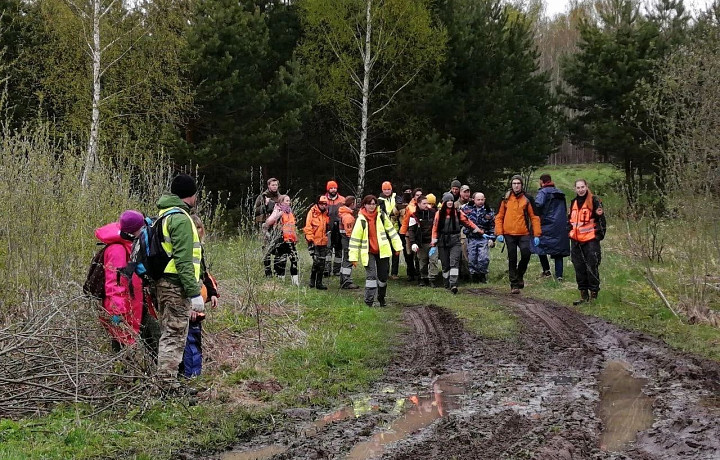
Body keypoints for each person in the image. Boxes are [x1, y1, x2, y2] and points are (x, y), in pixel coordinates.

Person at [155, 174, 205, 393]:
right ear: (191, 195)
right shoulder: (182, 219)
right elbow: (184, 261)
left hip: (163, 283)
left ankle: (166, 381)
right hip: (176, 285)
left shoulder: (164, 215)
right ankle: (167, 386)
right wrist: (195, 294)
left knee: (168, 332)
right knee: (174, 335)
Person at [94, 210, 145, 351]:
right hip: (121, 309)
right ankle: (120, 371)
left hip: (129, 306)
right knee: (121, 344)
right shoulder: (118, 250)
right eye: (141, 228)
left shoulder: (128, 245)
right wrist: (118, 312)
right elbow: (114, 283)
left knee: (125, 342)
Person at [180, 215, 219, 378]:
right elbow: (186, 277)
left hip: (198, 302)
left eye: (199, 228)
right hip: (189, 303)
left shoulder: (198, 249)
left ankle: (193, 373)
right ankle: (191, 375)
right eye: (193, 228)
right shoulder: (185, 249)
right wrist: (191, 303)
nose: (197, 231)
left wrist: (212, 292)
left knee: (194, 339)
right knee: (189, 341)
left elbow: (203, 272)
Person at [348, 195, 403, 306]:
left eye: (374, 204)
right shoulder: (361, 219)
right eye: (369, 204)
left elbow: (392, 232)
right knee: (371, 277)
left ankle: (381, 298)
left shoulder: (382, 216)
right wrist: (353, 258)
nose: (372, 206)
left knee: (383, 278)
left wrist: (397, 247)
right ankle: (369, 301)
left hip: (383, 251)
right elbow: (354, 240)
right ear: (364, 205)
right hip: (368, 253)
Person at [495, 175, 542, 294]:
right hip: (508, 233)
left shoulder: (528, 199)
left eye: (518, 183)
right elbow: (499, 217)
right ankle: (514, 284)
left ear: (521, 185)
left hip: (523, 232)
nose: (516, 185)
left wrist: (537, 234)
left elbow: (534, 217)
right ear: (511, 185)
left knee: (526, 254)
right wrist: (499, 232)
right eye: (514, 183)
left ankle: (519, 274)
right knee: (512, 257)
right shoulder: (505, 198)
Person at [430, 193, 482, 294]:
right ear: (444, 202)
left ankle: (453, 284)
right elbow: (435, 228)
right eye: (447, 201)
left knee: (454, 262)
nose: (450, 202)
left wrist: (479, 231)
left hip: (455, 241)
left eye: (451, 201)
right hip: (442, 241)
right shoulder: (439, 214)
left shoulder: (458, 213)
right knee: (445, 265)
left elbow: (468, 223)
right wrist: (433, 243)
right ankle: (446, 283)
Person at [569, 179, 606, 305]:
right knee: (579, 268)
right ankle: (583, 295)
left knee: (592, 267)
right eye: (578, 187)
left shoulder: (594, 201)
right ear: (575, 189)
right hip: (575, 241)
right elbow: (570, 221)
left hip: (590, 241)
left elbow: (601, 220)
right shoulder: (573, 202)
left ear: (587, 186)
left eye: (582, 187)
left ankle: (593, 296)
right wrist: (569, 233)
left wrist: (598, 237)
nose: (580, 189)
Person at [531, 174, 570, 280]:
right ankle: (559, 276)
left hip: (546, 224)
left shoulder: (543, 192)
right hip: (560, 225)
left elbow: (538, 206)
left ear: (541, 181)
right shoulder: (560, 193)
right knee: (559, 251)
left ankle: (546, 270)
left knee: (538, 246)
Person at [264, 195, 300, 286]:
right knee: (282, 261)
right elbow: (268, 222)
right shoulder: (278, 210)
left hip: (290, 239)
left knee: (294, 260)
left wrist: (295, 237)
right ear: (281, 202)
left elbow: (292, 226)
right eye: (287, 201)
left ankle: (295, 282)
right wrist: (277, 216)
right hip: (282, 239)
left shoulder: (290, 212)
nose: (289, 202)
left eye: (289, 201)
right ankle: (281, 281)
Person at [462, 192, 496, 283]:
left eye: (482, 199)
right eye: (478, 200)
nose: (480, 201)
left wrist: (492, 239)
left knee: (483, 258)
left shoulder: (488, 211)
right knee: (472, 258)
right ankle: (474, 275)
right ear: (474, 200)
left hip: (483, 238)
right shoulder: (467, 209)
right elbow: (462, 220)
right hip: (471, 237)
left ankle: (482, 274)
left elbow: (492, 226)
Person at [407, 195, 438, 287]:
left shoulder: (433, 213)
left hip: (432, 241)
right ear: (419, 204)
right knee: (422, 261)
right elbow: (411, 230)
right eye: (424, 203)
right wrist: (413, 243)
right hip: (421, 242)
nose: (426, 205)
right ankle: (423, 278)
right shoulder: (414, 216)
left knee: (433, 260)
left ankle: (433, 279)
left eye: (427, 203)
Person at [255, 178, 281, 277]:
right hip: (264, 227)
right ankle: (268, 272)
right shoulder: (262, 197)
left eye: (276, 185)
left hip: (277, 227)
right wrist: (265, 205)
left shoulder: (280, 197)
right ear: (268, 186)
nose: (275, 187)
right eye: (273, 185)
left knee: (277, 249)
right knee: (266, 250)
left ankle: (277, 271)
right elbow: (255, 211)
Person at [304, 195, 330, 290]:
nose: (324, 206)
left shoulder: (327, 213)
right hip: (314, 241)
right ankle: (312, 280)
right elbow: (308, 227)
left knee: (322, 263)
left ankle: (319, 282)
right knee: (316, 262)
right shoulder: (312, 212)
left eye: (325, 204)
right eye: (322, 204)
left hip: (323, 242)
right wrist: (310, 240)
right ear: (318, 203)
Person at [378, 181, 402, 279]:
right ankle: (385, 272)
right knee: (385, 251)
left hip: (396, 229)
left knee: (396, 251)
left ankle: (394, 273)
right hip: (384, 229)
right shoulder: (379, 200)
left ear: (391, 189)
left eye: (388, 189)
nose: (387, 191)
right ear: (382, 190)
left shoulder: (397, 198)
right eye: (385, 189)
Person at [399, 188, 423, 281]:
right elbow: (405, 221)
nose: (419, 197)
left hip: (420, 233)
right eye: (417, 195)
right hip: (410, 233)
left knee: (419, 254)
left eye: (420, 195)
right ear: (413, 196)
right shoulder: (410, 207)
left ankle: (419, 272)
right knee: (409, 254)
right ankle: (410, 273)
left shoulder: (425, 205)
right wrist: (403, 232)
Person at [324, 180, 345, 277]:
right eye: (331, 188)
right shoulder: (323, 199)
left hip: (339, 226)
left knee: (338, 249)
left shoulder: (342, 200)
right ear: (328, 189)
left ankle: (337, 270)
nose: (333, 189)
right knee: (327, 249)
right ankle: (326, 269)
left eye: (335, 188)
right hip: (327, 227)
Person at [338, 196, 360, 289]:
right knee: (348, 260)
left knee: (345, 260)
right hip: (347, 240)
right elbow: (349, 232)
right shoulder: (348, 216)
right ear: (352, 204)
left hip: (344, 239)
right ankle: (347, 281)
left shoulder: (343, 214)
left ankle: (343, 279)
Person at [456, 185, 472, 281]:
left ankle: (474, 274)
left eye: (468, 192)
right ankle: (464, 275)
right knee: (463, 255)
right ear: (460, 193)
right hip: (460, 232)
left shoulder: (473, 203)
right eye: (464, 192)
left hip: (473, 231)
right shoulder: (455, 204)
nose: (466, 194)